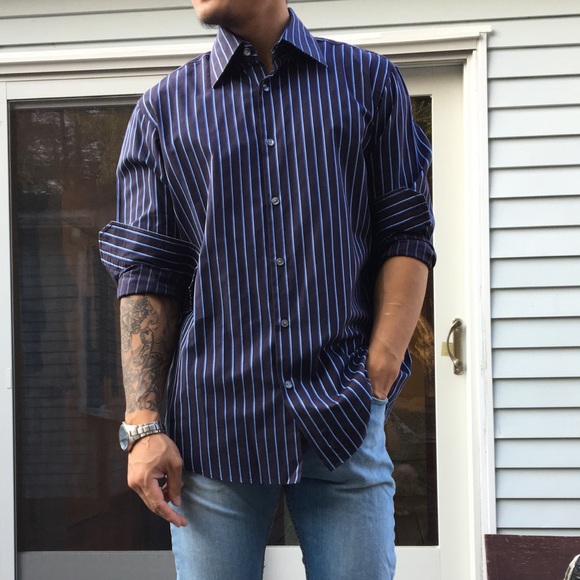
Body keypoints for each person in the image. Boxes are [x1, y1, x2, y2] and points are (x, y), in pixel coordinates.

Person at [99, 0, 435, 578]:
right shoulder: (162, 111)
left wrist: (379, 370)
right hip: (211, 433)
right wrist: (143, 424)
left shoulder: (369, 83)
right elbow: (147, 273)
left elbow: (406, 232)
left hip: (343, 412)